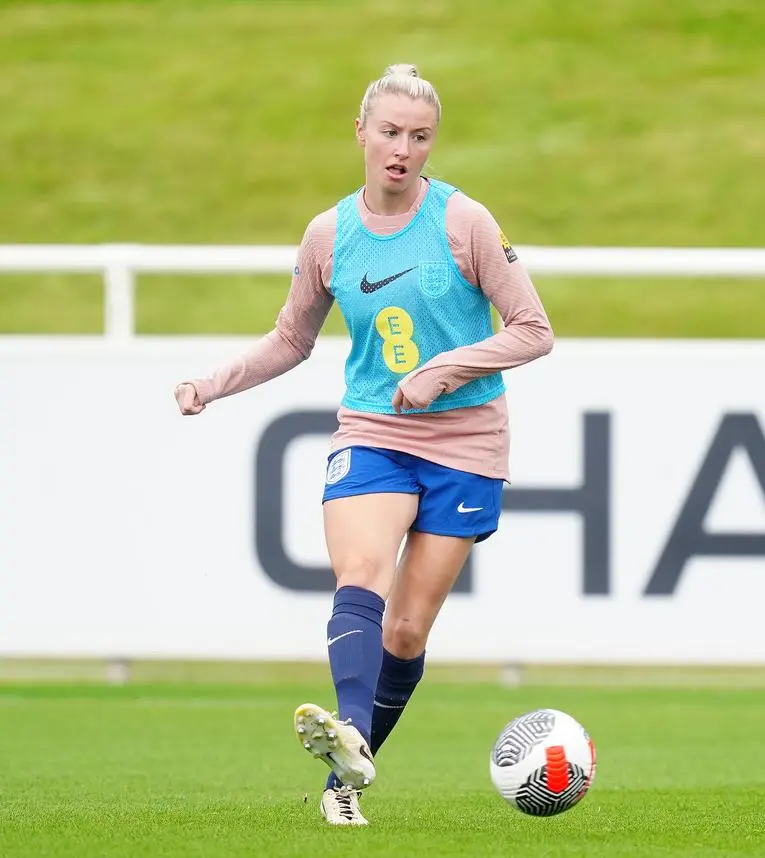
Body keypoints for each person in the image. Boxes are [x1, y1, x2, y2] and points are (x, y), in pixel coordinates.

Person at [173, 63, 554, 826]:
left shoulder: (464, 222)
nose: (402, 149)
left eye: (419, 136)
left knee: (407, 630)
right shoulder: (330, 234)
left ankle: (345, 771)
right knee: (361, 570)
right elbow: (291, 339)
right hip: (375, 431)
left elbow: (533, 332)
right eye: (389, 132)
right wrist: (214, 382)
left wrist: (445, 371)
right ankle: (347, 743)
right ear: (361, 132)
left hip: (467, 440)